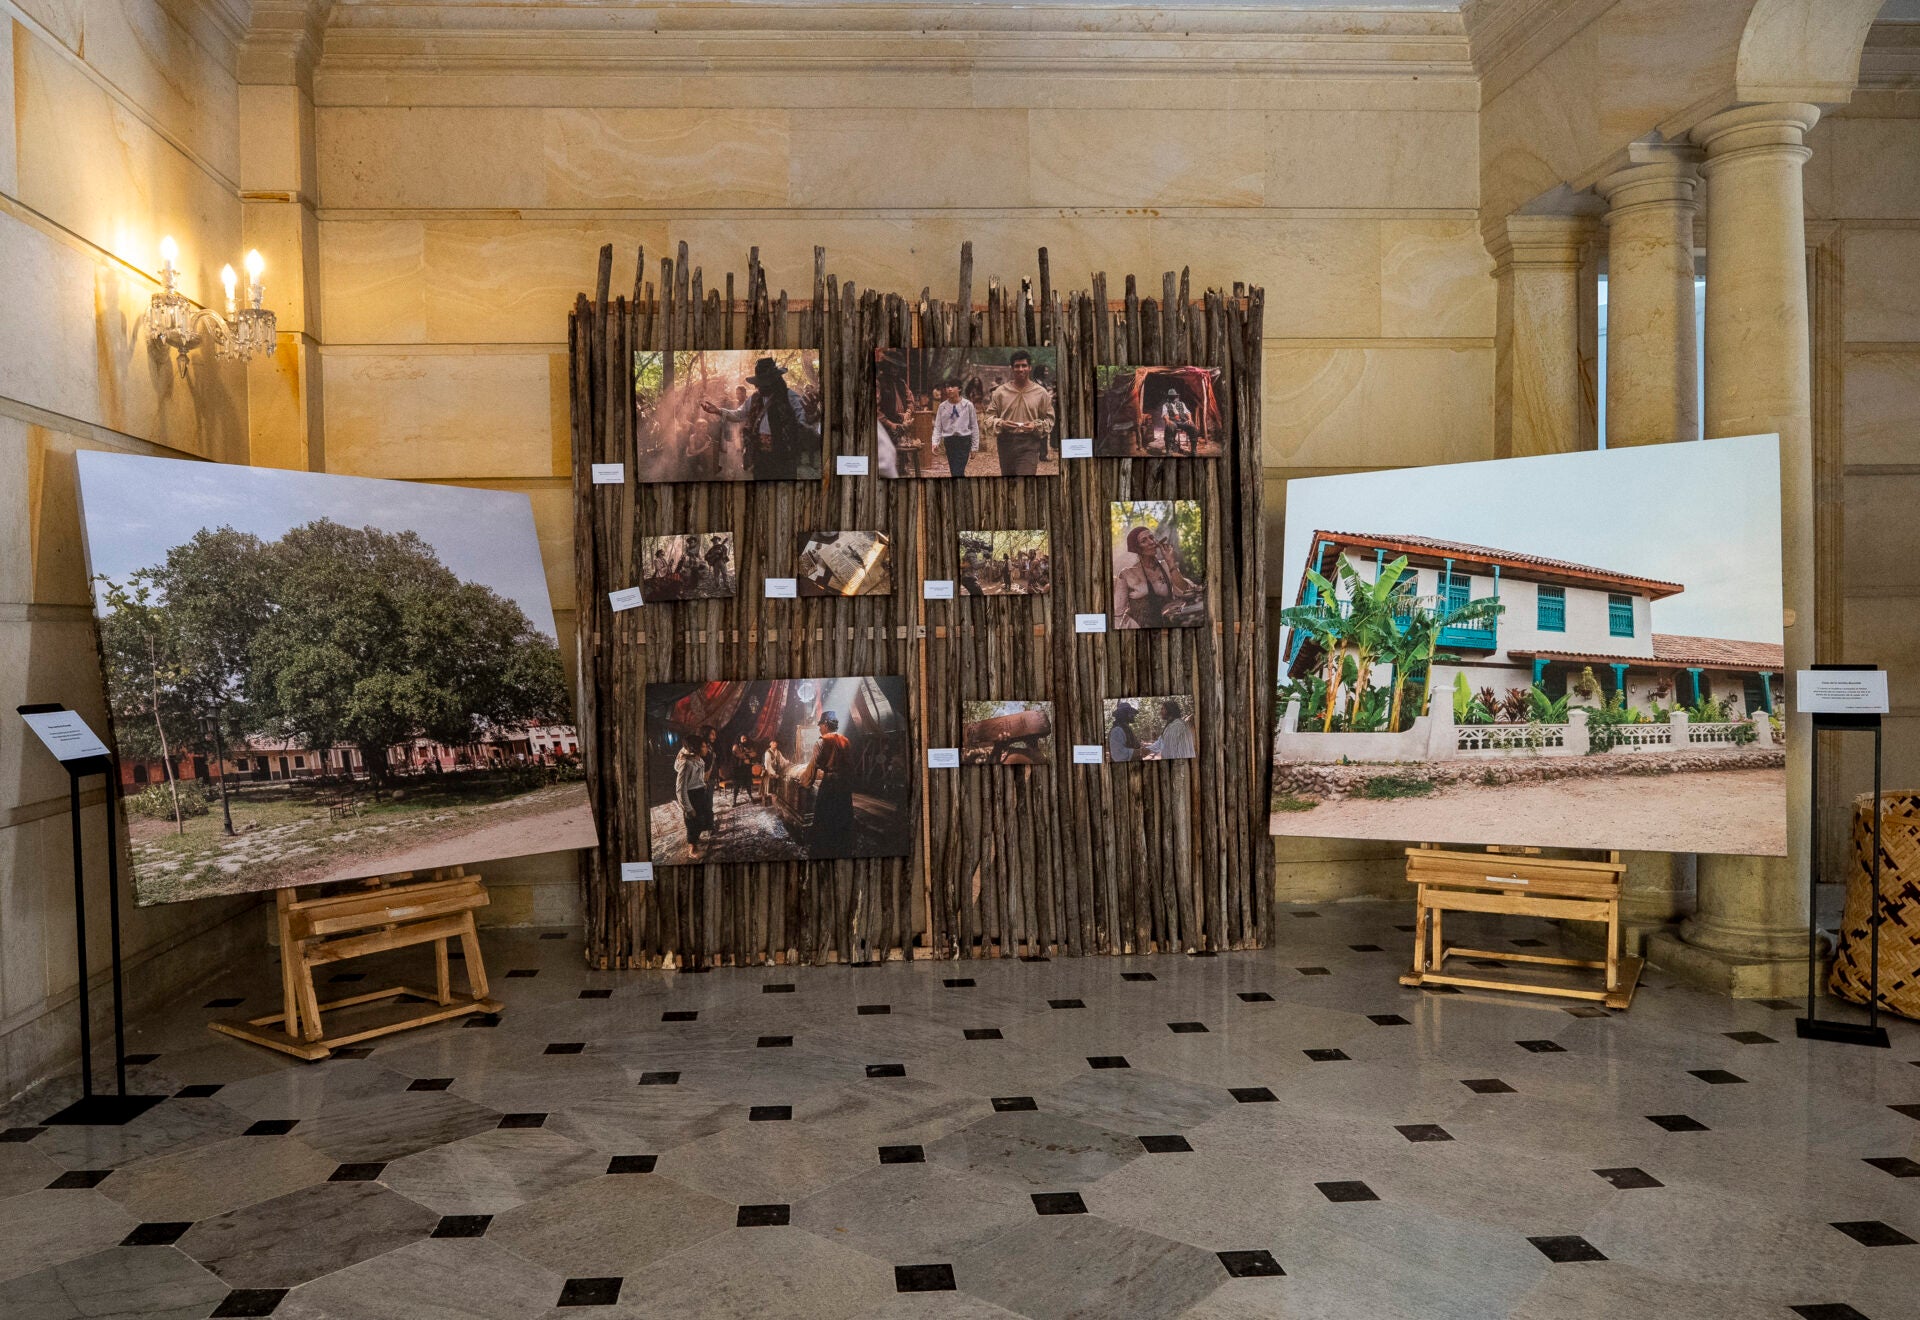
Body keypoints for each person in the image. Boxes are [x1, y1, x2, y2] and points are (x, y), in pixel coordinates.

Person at [1114, 525, 1202, 628]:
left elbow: (1185, 589)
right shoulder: (1127, 574)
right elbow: (1117, 613)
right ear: (1137, 549)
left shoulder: (1165, 566)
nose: (1151, 542)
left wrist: (1170, 562)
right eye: (1144, 541)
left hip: (1165, 625)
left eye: (1151, 537)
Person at [984, 349, 1055, 476]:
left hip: (1030, 443)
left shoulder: (1041, 393)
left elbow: (1050, 420)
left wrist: (1036, 425)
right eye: (1017, 366)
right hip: (1005, 443)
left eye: (1024, 366)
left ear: (1029, 368)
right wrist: (1002, 423)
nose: (1020, 369)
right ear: (1012, 368)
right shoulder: (1000, 392)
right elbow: (988, 418)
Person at [804, 710, 856, 853]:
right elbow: (851, 765)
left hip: (830, 782)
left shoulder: (821, 741)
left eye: (820, 725)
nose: (819, 728)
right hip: (844, 783)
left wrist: (806, 783)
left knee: (825, 814)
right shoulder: (846, 740)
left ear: (826, 724)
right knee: (843, 812)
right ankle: (844, 844)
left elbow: (813, 765)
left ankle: (825, 847)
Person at [675, 736, 712, 859]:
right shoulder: (686, 763)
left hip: (700, 792)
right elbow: (680, 789)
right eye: (703, 746)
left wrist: (703, 784)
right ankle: (692, 849)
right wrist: (688, 808)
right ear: (695, 747)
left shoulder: (698, 759)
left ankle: (696, 839)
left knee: (700, 819)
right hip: (691, 795)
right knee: (692, 821)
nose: (706, 748)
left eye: (706, 746)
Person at [931, 380, 977, 478]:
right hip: (950, 441)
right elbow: (938, 426)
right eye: (947, 387)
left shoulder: (968, 405)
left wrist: (974, 447)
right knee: (954, 471)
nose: (949, 389)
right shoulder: (942, 407)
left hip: (964, 441)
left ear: (959, 389)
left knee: (958, 470)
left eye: (952, 387)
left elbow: (974, 426)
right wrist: (935, 442)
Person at [1158, 385, 1200, 456]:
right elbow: (1164, 414)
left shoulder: (1181, 403)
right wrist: (1168, 420)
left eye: (1174, 396)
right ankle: (1169, 450)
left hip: (1182, 421)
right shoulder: (1165, 405)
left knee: (1193, 427)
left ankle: (1193, 450)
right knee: (1170, 427)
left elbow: (1187, 412)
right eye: (1172, 396)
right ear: (1169, 397)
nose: (1174, 397)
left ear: (1176, 396)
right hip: (1173, 421)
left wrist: (1189, 419)